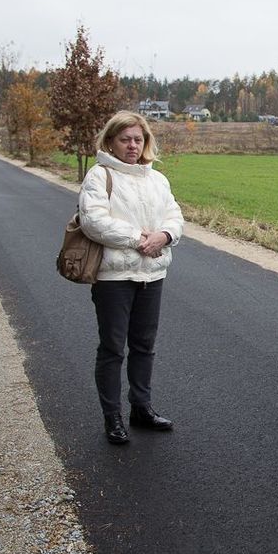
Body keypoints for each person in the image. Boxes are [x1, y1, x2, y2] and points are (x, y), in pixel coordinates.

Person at [79, 111, 185, 444]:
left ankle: (141, 407)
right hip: (114, 277)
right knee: (112, 347)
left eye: (138, 139)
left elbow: (175, 215)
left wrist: (165, 235)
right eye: (125, 139)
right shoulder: (99, 176)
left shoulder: (158, 179)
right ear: (110, 141)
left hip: (152, 274)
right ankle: (113, 417)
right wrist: (140, 238)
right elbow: (93, 221)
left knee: (144, 345)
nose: (132, 145)